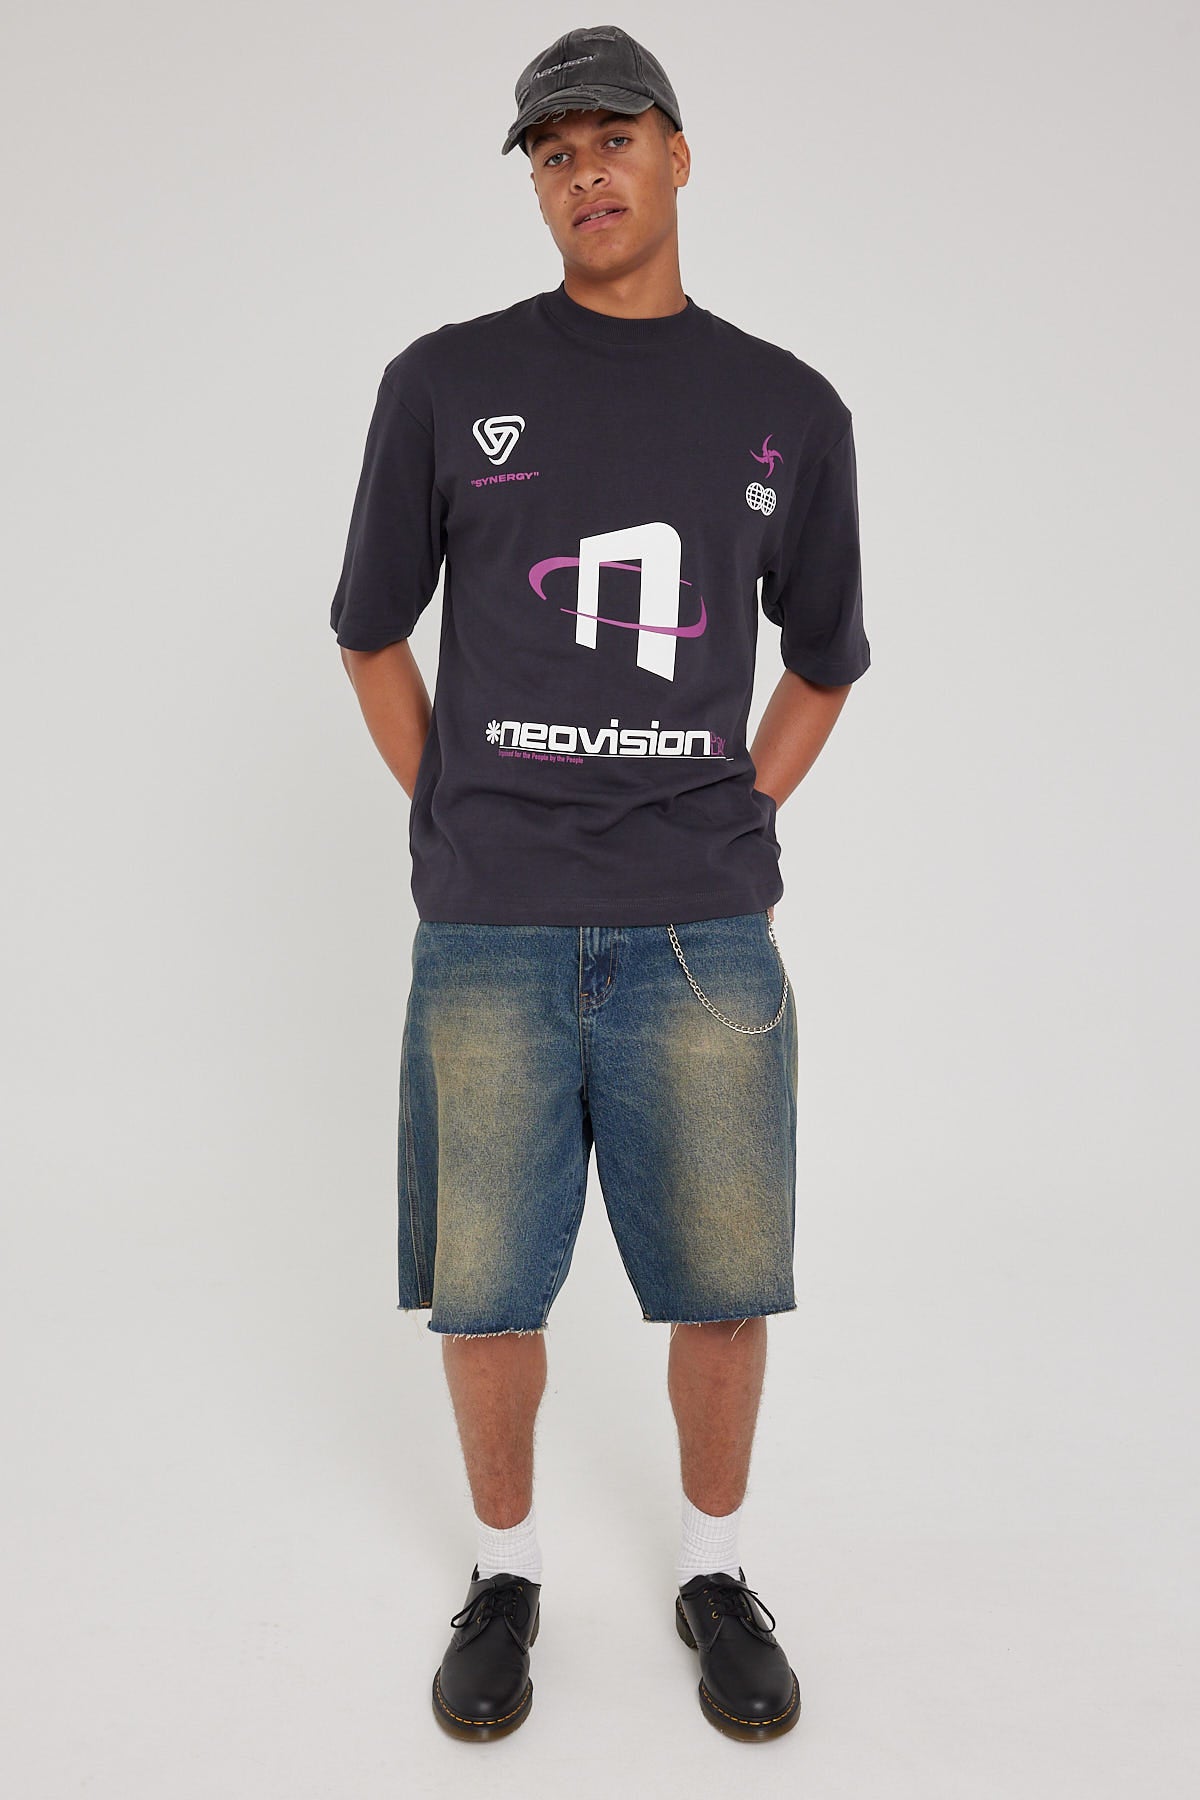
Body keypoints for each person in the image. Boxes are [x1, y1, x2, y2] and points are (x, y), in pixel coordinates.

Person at [329, 23, 870, 1744]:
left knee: (724, 1278)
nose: (586, 175)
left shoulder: (788, 408)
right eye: (553, 154)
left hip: (702, 933)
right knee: (488, 1288)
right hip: (485, 928)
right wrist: (455, 808)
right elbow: (369, 631)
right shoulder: (445, 382)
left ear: (678, 154)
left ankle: (717, 1570)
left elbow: (827, 658)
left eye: (612, 140)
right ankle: (505, 1576)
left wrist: (735, 809)